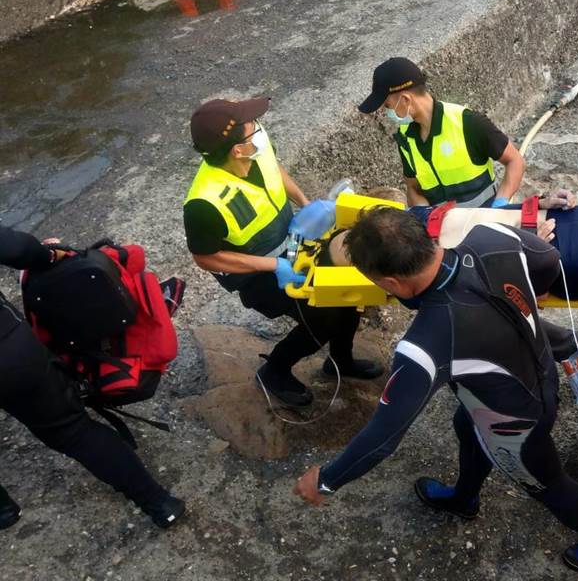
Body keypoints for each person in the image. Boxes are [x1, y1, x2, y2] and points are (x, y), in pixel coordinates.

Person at [294, 208, 578, 573]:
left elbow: (382, 436)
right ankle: (464, 498)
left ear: (391, 283)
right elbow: (549, 258)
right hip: (536, 372)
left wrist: (326, 480)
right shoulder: (492, 237)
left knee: (547, 483)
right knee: (466, 423)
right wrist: (527, 296)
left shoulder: (426, 345)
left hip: (514, 421)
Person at [183, 96, 382, 408]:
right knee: (322, 318)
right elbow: (206, 257)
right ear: (237, 149)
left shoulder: (254, 152)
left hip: (295, 244)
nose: (260, 130)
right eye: (254, 127)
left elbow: (275, 169)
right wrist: (274, 265)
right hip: (259, 276)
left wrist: (305, 204)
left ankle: (340, 361)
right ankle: (274, 371)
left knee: (349, 295)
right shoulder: (203, 204)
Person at [0, 225, 183, 530]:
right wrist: (48, 254)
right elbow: (15, 249)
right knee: (73, 432)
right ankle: (160, 503)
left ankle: (4, 511)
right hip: (10, 351)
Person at [358, 57, 525, 208]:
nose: (387, 113)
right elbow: (413, 187)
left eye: (387, 106)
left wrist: (501, 203)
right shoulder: (405, 137)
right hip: (444, 233)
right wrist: (424, 215)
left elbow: (514, 160)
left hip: (485, 221)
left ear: (405, 100)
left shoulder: (467, 122)